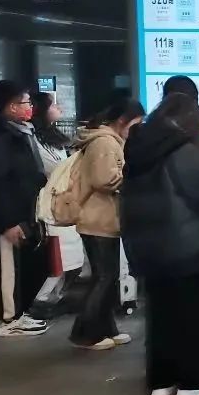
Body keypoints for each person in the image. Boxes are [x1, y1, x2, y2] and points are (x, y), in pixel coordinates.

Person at [122, 93, 199, 395]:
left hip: (148, 245)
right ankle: (192, 383)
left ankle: (161, 381)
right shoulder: (182, 150)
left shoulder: (138, 147)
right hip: (187, 244)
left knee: (160, 316)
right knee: (193, 315)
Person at [0, 80, 51, 337]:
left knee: (24, 267)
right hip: (9, 217)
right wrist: (8, 222)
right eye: (26, 102)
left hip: (25, 212)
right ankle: (7, 319)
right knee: (9, 269)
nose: (30, 107)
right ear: (11, 106)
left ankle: (19, 312)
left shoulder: (20, 133)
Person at [69, 98, 145, 350]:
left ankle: (105, 329)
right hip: (97, 219)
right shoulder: (104, 142)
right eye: (135, 124)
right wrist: (132, 177)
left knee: (107, 278)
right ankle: (85, 333)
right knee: (104, 278)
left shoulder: (108, 140)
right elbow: (104, 179)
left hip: (103, 219)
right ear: (123, 121)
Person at [29, 92, 82, 317]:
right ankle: (41, 300)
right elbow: (53, 169)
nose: (59, 107)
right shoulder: (34, 139)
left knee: (72, 259)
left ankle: (55, 297)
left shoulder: (52, 137)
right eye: (54, 105)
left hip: (64, 203)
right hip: (50, 205)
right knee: (58, 257)